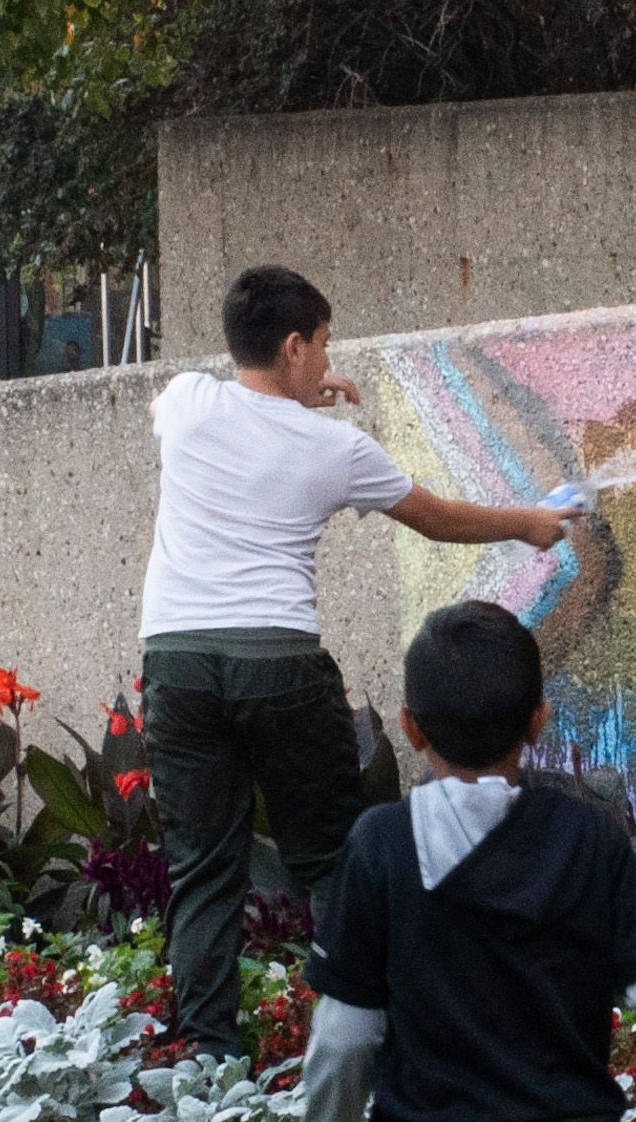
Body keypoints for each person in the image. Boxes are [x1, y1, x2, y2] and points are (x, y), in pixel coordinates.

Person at [139, 265, 575, 1058]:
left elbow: (200, 401)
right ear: (297, 345)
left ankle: (207, 1054)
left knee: (203, 871)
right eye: (324, 345)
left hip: (178, 663)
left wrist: (292, 390)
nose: (329, 360)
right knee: (330, 861)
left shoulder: (188, 405)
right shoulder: (336, 447)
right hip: (279, 663)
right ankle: (370, 1030)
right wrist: (528, 523)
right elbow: (436, 518)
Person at [298, 600, 636, 1122]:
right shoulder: (591, 840)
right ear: (538, 721)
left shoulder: (381, 845)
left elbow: (345, 1039)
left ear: (410, 727)